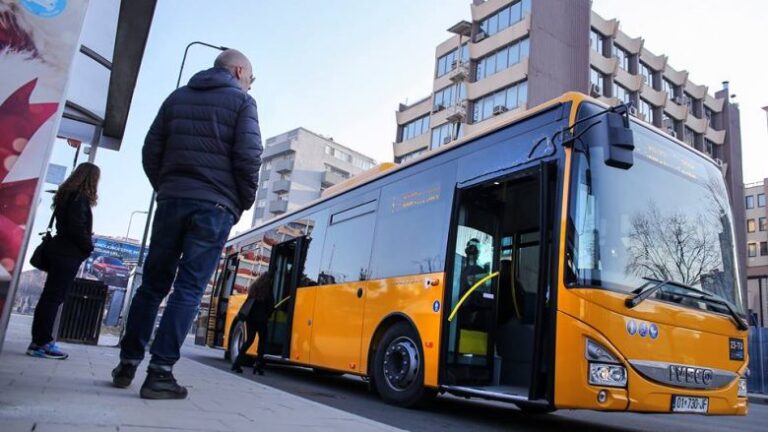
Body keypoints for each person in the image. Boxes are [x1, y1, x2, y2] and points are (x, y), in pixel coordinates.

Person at [111, 49, 262, 399]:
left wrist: (167, 187)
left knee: (151, 286)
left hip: (171, 201)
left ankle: (127, 364)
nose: (250, 87)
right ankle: (160, 373)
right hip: (214, 206)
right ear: (239, 71)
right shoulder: (242, 103)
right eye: (251, 80)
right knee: (189, 289)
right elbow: (250, 156)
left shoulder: (176, 97)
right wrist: (240, 201)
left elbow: (151, 150)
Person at [27, 162, 99, 360]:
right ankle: (42, 343)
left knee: (49, 297)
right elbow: (76, 227)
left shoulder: (64, 196)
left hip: (58, 249)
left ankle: (38, 340)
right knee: (54, 298)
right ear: (91, 179)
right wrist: (88, 245)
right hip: (68, 253)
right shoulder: (80, 199)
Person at [231, 273, 274, 375]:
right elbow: (270, 305)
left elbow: (248, 302)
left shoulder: (254, 288)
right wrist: (268, 314)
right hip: (262, 320)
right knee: (262, 341)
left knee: (249, 340)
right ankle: (258, 365)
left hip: (250, 319)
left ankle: (236, 363)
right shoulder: (268, 290)